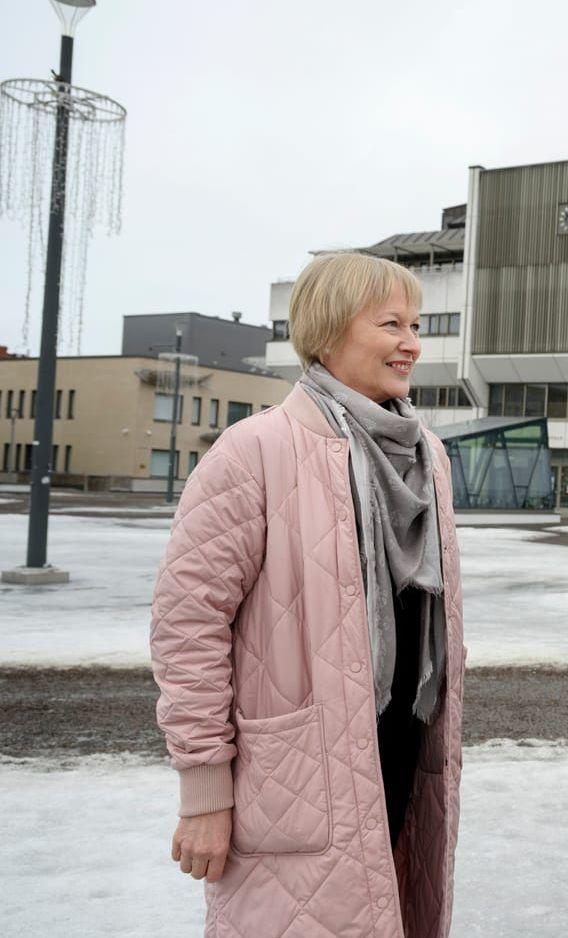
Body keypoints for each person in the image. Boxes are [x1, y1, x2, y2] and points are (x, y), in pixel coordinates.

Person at [150, 252, 466, 937]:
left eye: (416, 324)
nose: (412, 341)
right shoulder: (254, 451)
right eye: (391, 323)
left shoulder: (428, 457)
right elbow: (188, 627)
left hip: (402, 757)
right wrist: (204, 788)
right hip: (297, 780)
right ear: (328, 332)